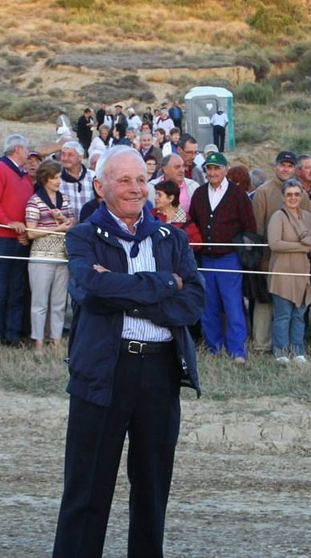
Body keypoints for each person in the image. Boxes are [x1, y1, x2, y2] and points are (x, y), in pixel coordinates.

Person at [53, 146, 203, 558]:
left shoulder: (171, 238)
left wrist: (123, 288)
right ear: (100, 186)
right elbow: (90, 290)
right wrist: (163, 285)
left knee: (152, 491)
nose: (136, 189)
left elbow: (192, 303)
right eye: (124, 180)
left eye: (141, 179)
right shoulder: (83, 236)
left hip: (159, 374)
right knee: (87, 491)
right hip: (104, 371)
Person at [189, 151, 256, 363]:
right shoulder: (199, 194)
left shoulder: (237, 194)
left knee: (233, 305)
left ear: (225, 170)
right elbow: (192, 224)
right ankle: (214, 348)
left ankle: (237, 350)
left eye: (217, 168)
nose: (213, 172)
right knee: (209, 306)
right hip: (206, 259)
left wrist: (246, 253)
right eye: (209, 168)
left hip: (230, 258)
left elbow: (250, 227)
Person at [250, 151, 309, 354]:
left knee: (294, 306)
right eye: (282, 165)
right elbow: (257, 229)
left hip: (297, 261)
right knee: (265, 302)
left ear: (294, 169)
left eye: (290, 166)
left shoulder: (302, 193)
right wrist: (262, 258)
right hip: (269, 257)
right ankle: (262, 344)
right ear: (275, 166)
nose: (285, 169)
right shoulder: (263, 192)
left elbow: (307, 225)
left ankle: (295, 346)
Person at [0, 135, 34, 346]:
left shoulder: (23, 175)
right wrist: (8, 222)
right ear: (18, 149)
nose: (29, 154)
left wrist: (25, 230)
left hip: (19, 239)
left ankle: (12, 333)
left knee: (16, 289)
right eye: (26, 149)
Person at [267, 178, 311, 363]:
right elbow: (274, 243)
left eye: (297, 194)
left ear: (301, 195)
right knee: (283, 315)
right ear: (283, 196)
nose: (293, 198)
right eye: (289, 194)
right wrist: (301, 246)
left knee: (299, 314)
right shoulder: (278, 216)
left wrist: (309, 242)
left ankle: (298, 351)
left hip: (303, 272)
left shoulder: (307, 216)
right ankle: (280, 352)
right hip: (282, 272)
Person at [25, 160, 73, 353]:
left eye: (59, 177)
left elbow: (70, 223)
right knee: (39, 302)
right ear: (45, 179)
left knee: (59, 302)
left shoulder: (64, 199)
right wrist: (57, 228)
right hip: (41, 256)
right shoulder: (34, 201)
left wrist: (63, 219)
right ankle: (38, 341)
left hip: (62, 256)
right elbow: (30, 232)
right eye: (55, 178)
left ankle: (55, 339)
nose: (58, 181)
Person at [58, 141, 94, 225]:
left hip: (89, 229)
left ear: (80, 157)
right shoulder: (56, 178)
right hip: (65, 229)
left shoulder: (93, 177)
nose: (65, 158)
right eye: (63, 154)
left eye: (70, 155)